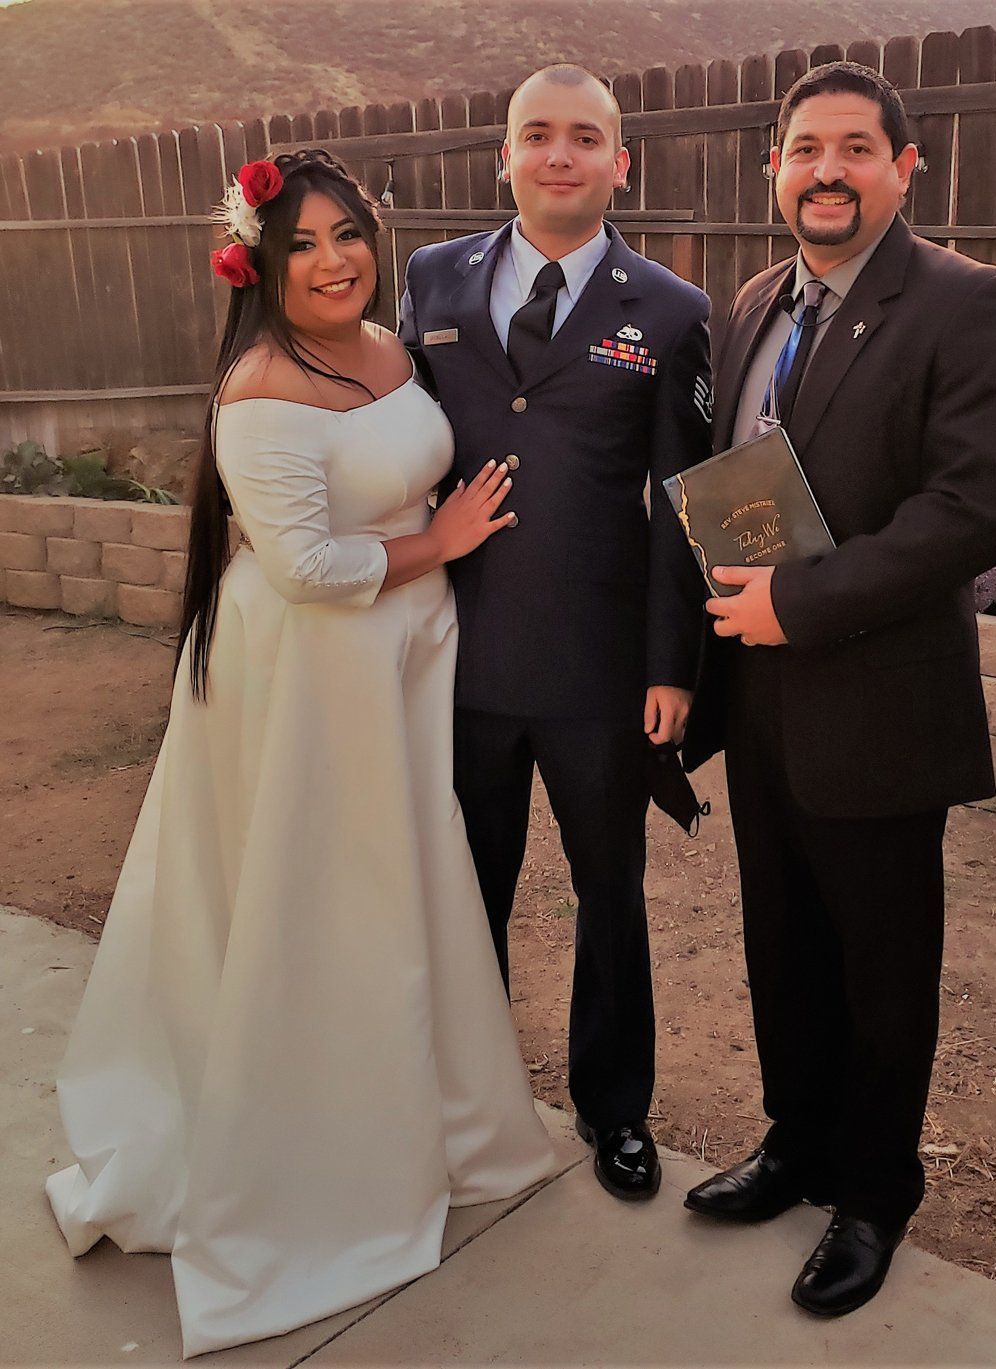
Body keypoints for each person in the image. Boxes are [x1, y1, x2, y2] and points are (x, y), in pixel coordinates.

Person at [45, 150, 556, 1359]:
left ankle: (425, 1113)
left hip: (396, 661)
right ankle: (311, 1159)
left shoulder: (388, 346)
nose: (332, 261)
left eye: (347, 234)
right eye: (303, 245)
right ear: (257, 266)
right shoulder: (259, 389)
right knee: (322, 897)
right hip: (314, 671)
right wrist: (442, 543)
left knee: (402, 883)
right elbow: (309, 566)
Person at [681, 62, 996, 1315]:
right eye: (802, 149)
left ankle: (875, 1192)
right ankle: (796, 1144)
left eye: (852, 148)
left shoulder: (964, 301)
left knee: (880, 964)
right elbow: (740, 477)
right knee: (779, 940)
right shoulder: (752, 303)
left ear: (902, 167)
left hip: (878, 695)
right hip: (758, 691)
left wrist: (803, 602)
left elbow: (975, 504)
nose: (823, 170)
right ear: (772, 169)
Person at [399, 65, 711, 1201]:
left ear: (621, 162)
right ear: (505, 155)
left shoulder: (671, 311)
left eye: (585, 136)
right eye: (537, 134)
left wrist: (672, 666)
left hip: (596, 669)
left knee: (608, 892)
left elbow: (682, 501)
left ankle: (614, 1108)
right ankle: (462, 1097)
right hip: (457, 655)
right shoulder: (430, 277)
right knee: (461, 889)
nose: (559, 154)